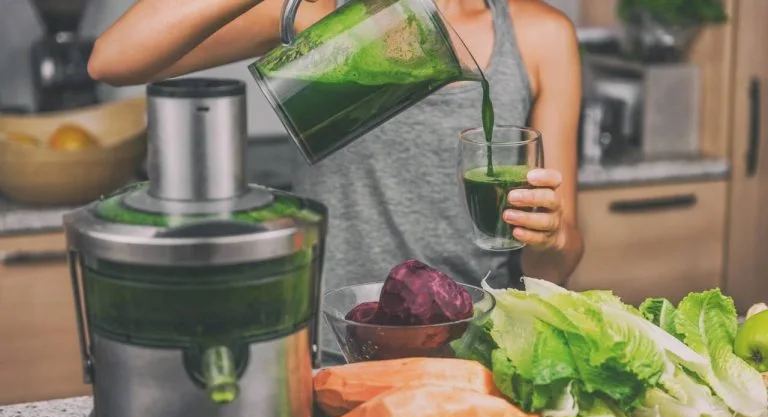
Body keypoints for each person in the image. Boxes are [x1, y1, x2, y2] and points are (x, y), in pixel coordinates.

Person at [88, 0, 584, 291]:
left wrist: (552, 236)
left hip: (474, 349)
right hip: (335, 351)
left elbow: (555, 267)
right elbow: (113, 60)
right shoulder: (322, 15)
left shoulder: (541, 36)